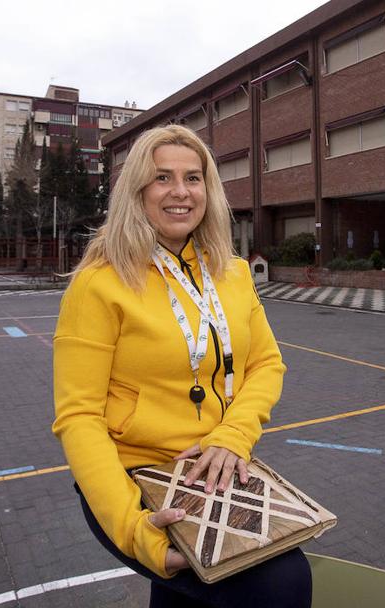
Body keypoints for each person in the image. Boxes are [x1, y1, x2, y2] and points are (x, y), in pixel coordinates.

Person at [52, 124, 312, 607]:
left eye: (193, 178)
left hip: (211, 471)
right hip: (133, 478)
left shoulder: (233, 273)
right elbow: (78, 417)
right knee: (283, 583)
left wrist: (232, 435)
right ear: (137, 191)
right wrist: (135, 529)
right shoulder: (99, 284)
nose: (181, 191)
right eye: (162, 178)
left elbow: (266, 364)